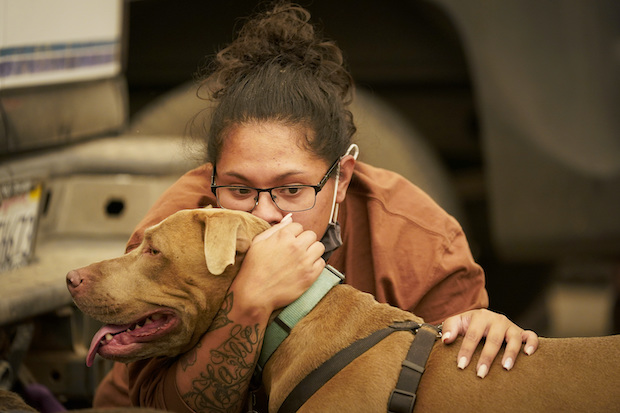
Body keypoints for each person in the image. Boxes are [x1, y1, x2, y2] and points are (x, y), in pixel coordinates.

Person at [93, 2, 538, 412]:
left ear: (341, 178)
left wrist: (486, 332)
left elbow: (452, 387)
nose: (264, 214)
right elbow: (161, 402)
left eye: (291, 190)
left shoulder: (419, 239)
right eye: (239, 189)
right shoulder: (174, 229)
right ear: (213, 177)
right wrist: (249, 302)